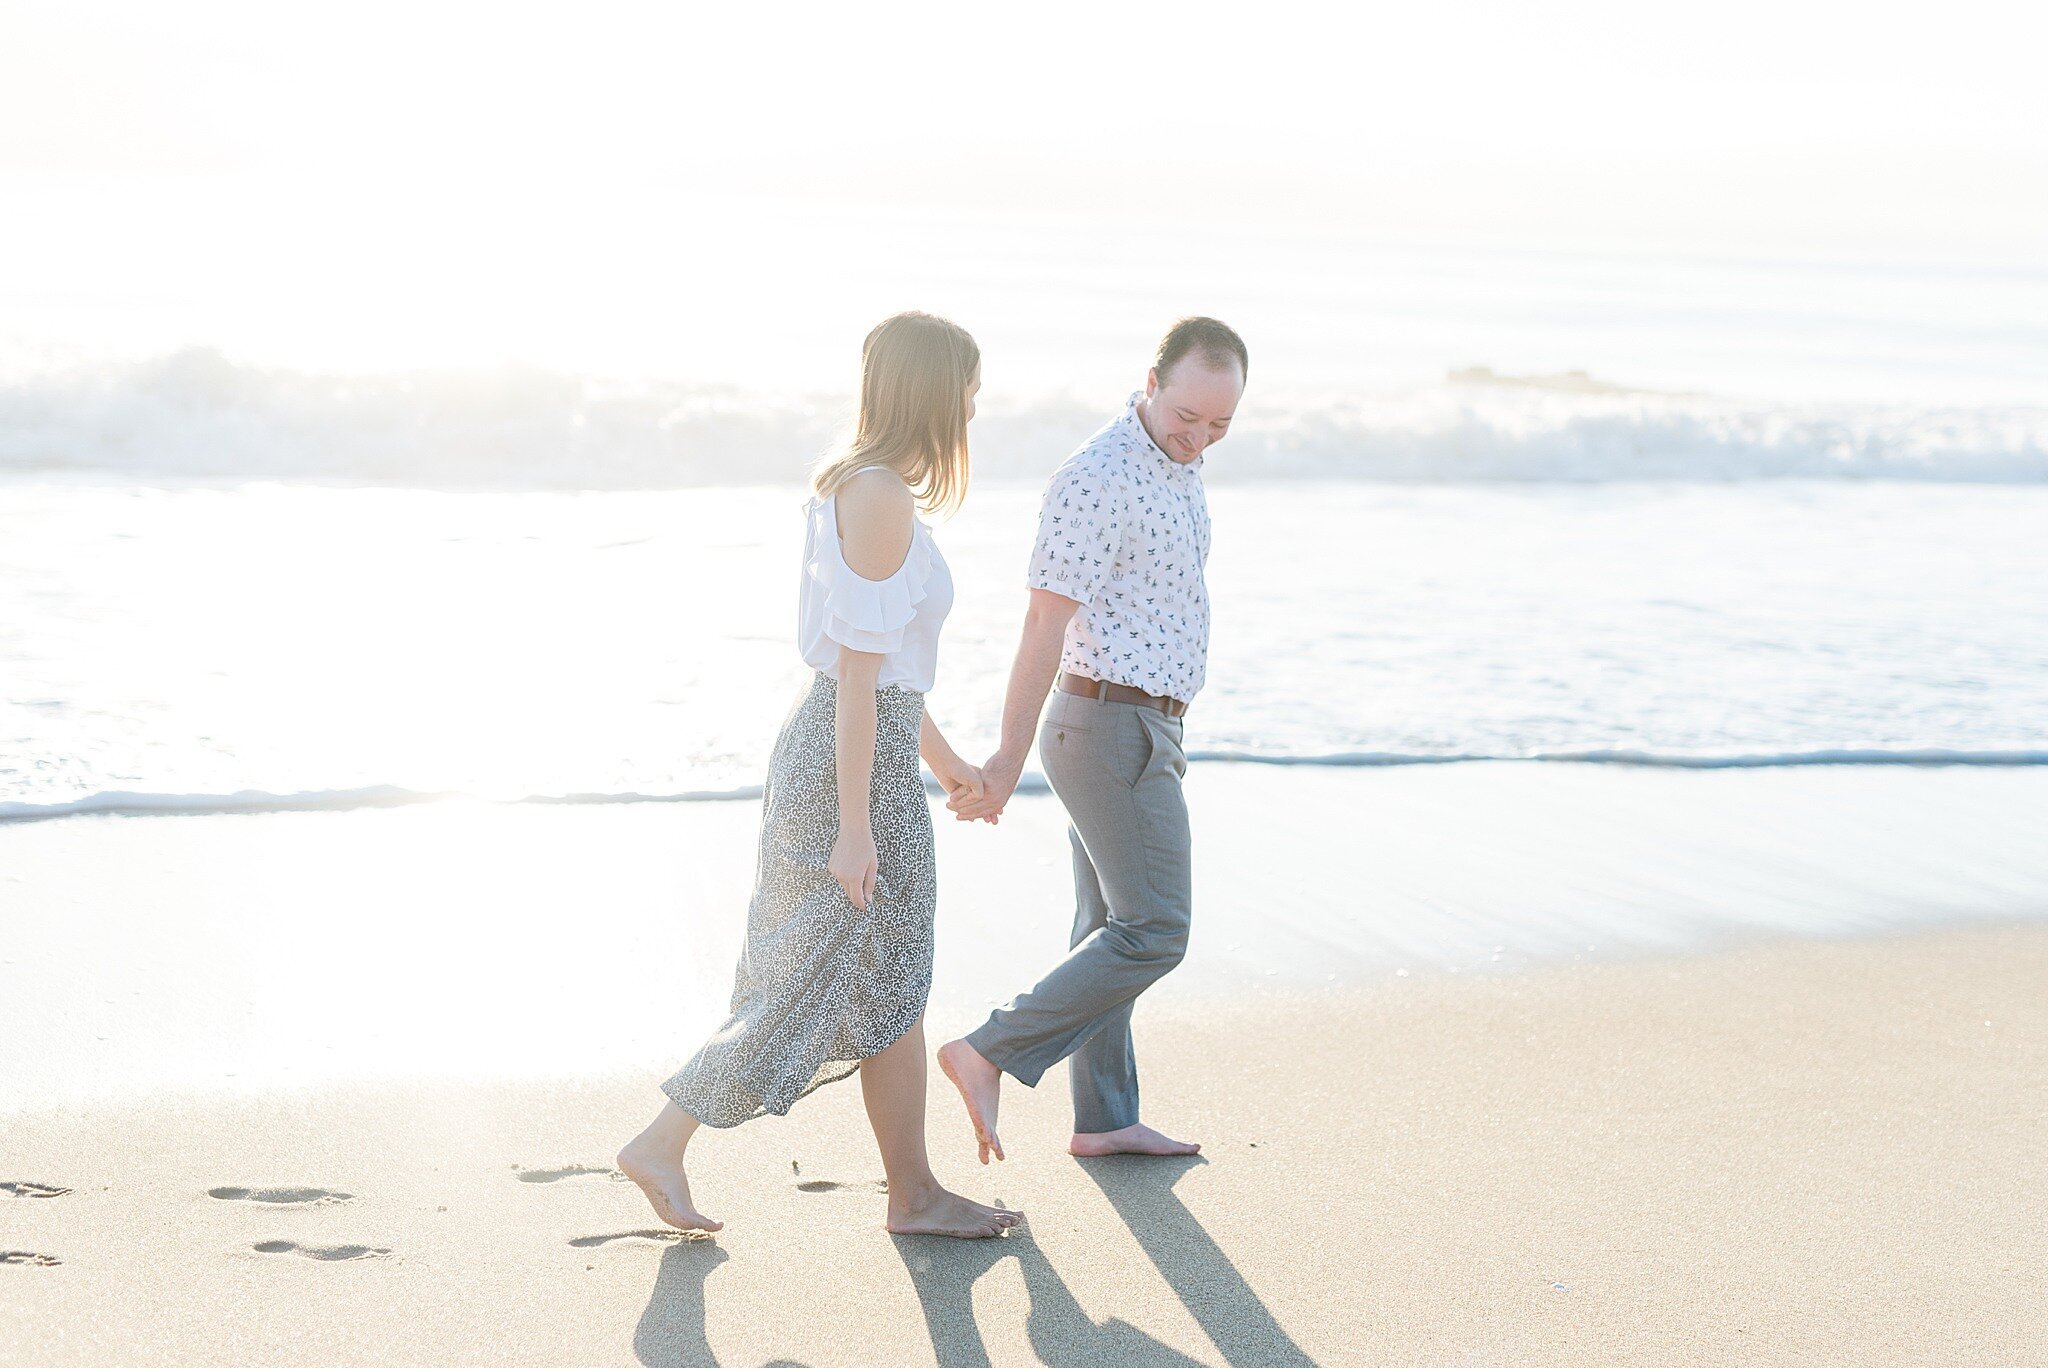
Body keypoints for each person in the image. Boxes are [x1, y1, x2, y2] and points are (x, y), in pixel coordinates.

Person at [618, 311, 1021, 1240]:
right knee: (831, 976)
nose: (974, 403)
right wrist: (856, 823)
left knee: (872, 977)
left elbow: (880, 673)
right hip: (852, 767)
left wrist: (950, 766)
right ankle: (671, 1139)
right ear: (932, 390)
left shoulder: (864, 485)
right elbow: (855, 676)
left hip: (861, 752)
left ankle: (911, 1192)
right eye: (968, 386)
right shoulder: (880, 495)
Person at [938, 317, 1248, 1165]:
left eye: (1219, 427)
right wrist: (1004, 755)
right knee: (1155, 928)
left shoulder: (1174, 470)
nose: (1198, 439)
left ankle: (1106, 1115)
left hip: (1144, 725)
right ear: (1150, 382)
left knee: (1108, 923)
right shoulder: (1098, 474)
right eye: (1187, 416)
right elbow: (1044, 619)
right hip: (1108, 727)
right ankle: (988, 1049)